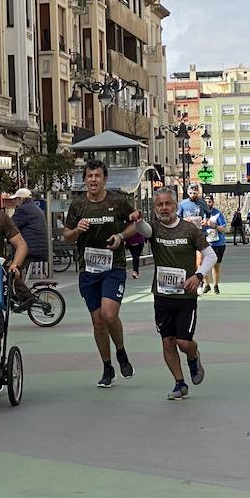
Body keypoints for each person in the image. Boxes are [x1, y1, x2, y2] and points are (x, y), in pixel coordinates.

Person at [63, 160, 139, 388]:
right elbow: (67, 236)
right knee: (97, 321)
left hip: (113, 267)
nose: (93, 180)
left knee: (109, 314)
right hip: (88, 270)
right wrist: (77, 230)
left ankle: (121, 351)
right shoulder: (77, 206)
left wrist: (121, 237)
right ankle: (107, 367)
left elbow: (134, 223)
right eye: (89, 176)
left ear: (105, 179)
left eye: (97, 175)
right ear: (84, 180)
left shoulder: (117, 201)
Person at [135, 188, 215, 400]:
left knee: (183, 342)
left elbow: (210, 256)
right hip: (162, 296)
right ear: (155, 208)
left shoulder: (189, 230)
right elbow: (143, 229)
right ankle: (180, 383)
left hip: (185, 297)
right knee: (167, 341)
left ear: (175, 205)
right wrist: (137, 221)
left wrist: (197, 276)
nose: (164, 208)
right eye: (159, 204)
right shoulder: (153, 228)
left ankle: (193, 355)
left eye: (168, 204)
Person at [10, 188, 49, 279]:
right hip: (37, 248)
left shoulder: (24, 210)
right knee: (16, 270)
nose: (14, 201)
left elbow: (10, 225)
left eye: (16, 199)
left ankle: (21, 292)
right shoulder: (33, 207)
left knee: (12, 270)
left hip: (30, 249)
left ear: (22, 199)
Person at [200, 194, 229, 294]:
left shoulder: (217, 214)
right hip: (204, 243)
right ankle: (206, 284)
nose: (207, 203)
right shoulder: (200, 213)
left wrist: (213, 225)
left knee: (215, 266)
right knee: (202, 265)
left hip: (218, 243)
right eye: (205, 201)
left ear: (212, 202)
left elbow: (224, 229)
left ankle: (216, 285)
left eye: (209, 201)